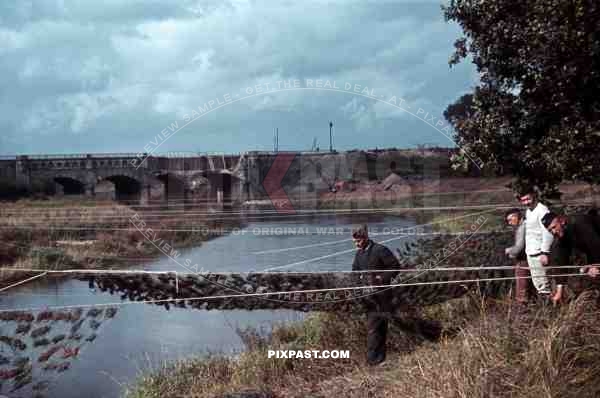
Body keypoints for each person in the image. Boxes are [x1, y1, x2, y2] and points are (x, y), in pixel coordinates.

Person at [351, 224, 400, 366]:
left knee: (375, 328)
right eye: (354, 241)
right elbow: (354, 273)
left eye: (358, 241)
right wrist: (356, 289)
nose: (356, 244)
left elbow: (395, 266)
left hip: (383, 297)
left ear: (366, 237)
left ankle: (373, 362)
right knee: (378, 328)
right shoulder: (359, 254)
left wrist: (380, 278)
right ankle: (379, 360)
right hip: (367, 298)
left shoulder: (380, 250)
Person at [541, 211, 600, 279]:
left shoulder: (580, 223)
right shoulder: (562, 236)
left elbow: (595, 244)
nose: (553, 232)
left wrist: (595, 265)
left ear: (562, 221)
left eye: (554, 227)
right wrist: (560, 285)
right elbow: (561, 260)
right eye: (550, 230)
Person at [519, 187, 554, 298]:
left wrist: (545, 252)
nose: (526, 202)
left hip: (540, 252)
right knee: (538, 282)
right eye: (523, 200)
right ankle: (545, 306)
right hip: (531, 252)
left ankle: (551, 307)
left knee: (544, 283)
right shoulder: (528, 211)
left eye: (528, 199)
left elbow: (548, 231)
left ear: (534, 196)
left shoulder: (542, 210)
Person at [504, 208, 531, 305]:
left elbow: (519, 247)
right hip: (529, 256)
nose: (509, 223)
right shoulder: (526, 224)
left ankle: (521, 302)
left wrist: (508, 251)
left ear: (516, 216)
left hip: (524, 258)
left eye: (510, 220)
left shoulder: (522, 228)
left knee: (521, 279)